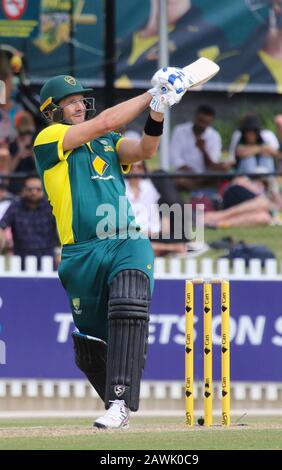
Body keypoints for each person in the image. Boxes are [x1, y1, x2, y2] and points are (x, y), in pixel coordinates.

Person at [32, 70, 189, 429]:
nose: (77, 105)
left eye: (79, 100)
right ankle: (113, 401)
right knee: (91, 346)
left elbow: (145, 149)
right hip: (79, 253)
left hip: (125, 239)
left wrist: (159, 110)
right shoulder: (49, 139)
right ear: (51, 110)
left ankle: (120, 403)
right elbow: (102, 122)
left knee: (129, 304)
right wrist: (153, 93)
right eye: (69, 101)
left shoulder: (109, 142)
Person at [170, 104, 233, 190]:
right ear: (195, 117)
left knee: (222, 171)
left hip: (206, 175)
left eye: (206, 123)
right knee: (178, 180)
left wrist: (203, 150)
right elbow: (175, 158)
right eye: (200, 121)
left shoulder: (214, 136)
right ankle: (200, 187)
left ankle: (196, 186)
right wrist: (191, 173)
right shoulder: (180, 131)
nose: (202, 125)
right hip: (185, 174)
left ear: (211, 122)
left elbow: (211, 165)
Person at [0, 175, 58, 267]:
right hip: (20, 261)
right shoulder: (15, 206)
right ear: (23, 190)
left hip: (48, 261)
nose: (34, 192)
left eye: (38, 189)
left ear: (43, 190)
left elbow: (63, 229)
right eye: (30, 189)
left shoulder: (51, 207)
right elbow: (2, 225)